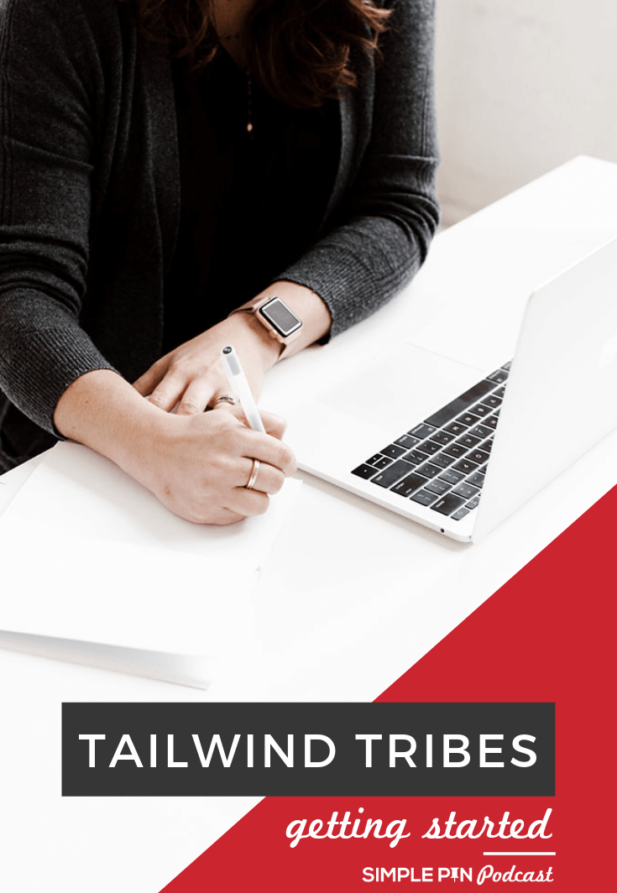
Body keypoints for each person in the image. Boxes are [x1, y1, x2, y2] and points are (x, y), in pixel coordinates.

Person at [0, 0, 440, 524]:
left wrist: (255, 334)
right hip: (90, 450)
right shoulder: (59, 14)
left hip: (288, 393)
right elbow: (19, 290)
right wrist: (151, 443)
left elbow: (398, 202)